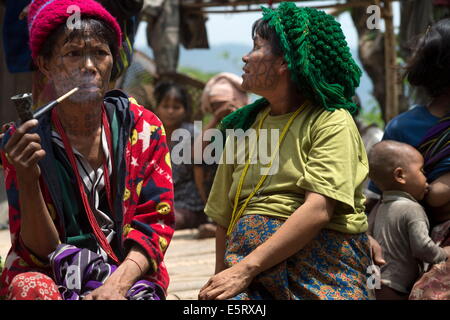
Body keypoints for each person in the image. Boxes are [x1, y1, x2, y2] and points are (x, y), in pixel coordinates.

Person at [0, 0, 174, 300]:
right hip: (52, 273)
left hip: (126, 272)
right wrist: (27, 177)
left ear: (113, 61)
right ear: (45, 65)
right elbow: (40, 252)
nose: (89, 67)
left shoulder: (144, 129)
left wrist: (115, 287)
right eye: (73, 54)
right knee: (31, 289)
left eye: (100, 53)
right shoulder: (24, 140)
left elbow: (155, 225)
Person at [199, 3, 374, 300]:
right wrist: (222, 280)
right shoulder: (242, 127)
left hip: (321, 269)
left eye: (256, 46)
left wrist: (245, 270)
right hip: (246, 268)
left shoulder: (331, 121)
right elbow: (222, 218)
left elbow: (318, 210)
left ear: (284, 62)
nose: (245, 57)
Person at [368, 140, 450, 300]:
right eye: (422, 171)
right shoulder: (413, 208)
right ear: (400, 175)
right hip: (395, 288)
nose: (427, 180)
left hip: (374, 283)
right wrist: (444, 253)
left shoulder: (379, 207)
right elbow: (422, 247)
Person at [194, 72, 249, 238]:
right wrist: (216, 120)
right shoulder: (215, 131)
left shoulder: (253, 121)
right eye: (216, 105)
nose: (222, 109)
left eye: (225, 104)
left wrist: (240, 115)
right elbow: (195, 156)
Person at [153, 81, 206, 231]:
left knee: (167, 220)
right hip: (157, 200)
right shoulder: (151, 133)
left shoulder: (192, 134)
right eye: (165, 106)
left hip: (187, 202)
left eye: (176, 107)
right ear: (157, 108)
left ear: (184, 110)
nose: (170, 111)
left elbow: (200, 170)